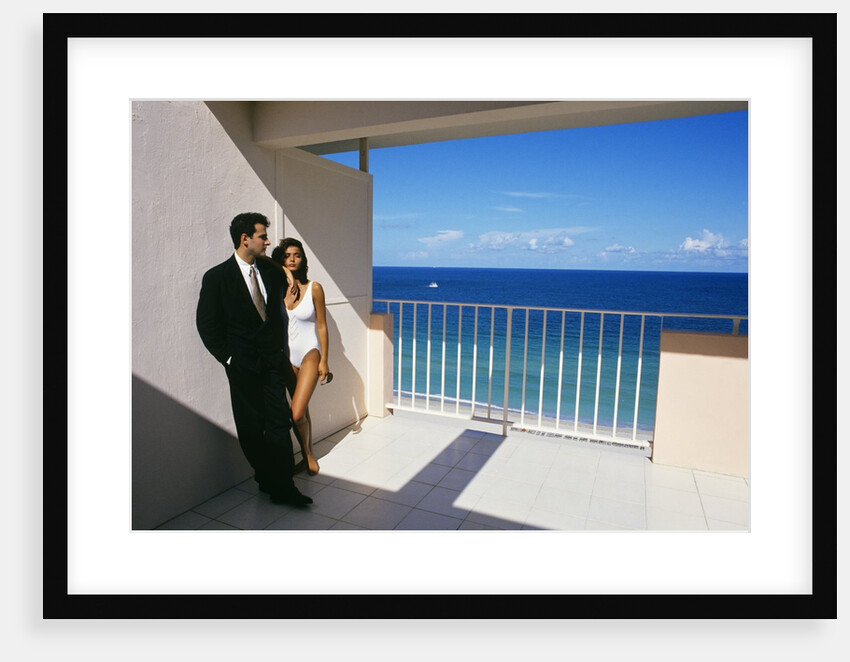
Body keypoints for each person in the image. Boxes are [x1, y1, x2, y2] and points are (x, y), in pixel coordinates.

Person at [196, 213, 313, 506]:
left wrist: (286, 273)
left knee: (279, 424)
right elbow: (207, 325)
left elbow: (277, 301)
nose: (268, 241)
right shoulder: (217, 278)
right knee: (250, 428)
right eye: (263, 236)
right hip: (242, 367)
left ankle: (285, 487)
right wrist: (230, 358)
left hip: (272, 365)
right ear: (244, 238)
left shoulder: (271, 271)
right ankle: (265, 478)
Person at [269, 237, 331, 476]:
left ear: (303, 259)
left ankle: (308, 455)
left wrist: (324, 359)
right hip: (287, 357)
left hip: (310, 353)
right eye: (287, 256)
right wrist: (286, 275)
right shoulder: (279, 290)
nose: (292, 259)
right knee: (302, 412)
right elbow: (262, 259)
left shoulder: (314, 288)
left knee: (296, 412)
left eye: (296, 255)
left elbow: (323, 326)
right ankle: (307, 453)